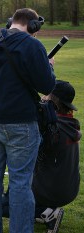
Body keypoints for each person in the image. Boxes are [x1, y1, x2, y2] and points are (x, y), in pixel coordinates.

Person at [0, 8, 56, 233]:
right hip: (21, 125)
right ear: (33, 26)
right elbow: (47, 86)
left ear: (11, 22)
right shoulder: (33, 46)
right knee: (20, 182)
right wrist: (48, 66)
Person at [32, 80, 81, 232]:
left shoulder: (52, 128)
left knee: (6, 204)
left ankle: (46, 213)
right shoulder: (71, 124)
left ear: (53, 101)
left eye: (47, 95)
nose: (43, 98)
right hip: (70, 189)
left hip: (50, 191)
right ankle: (46, 211)